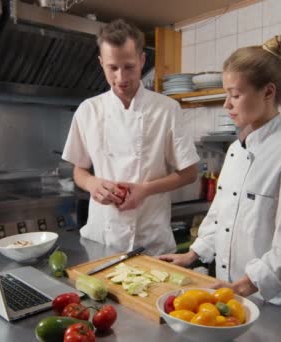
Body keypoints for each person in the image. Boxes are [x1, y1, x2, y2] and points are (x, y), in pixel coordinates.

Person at [159, 35, 281, 313]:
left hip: (272, 303)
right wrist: (192, 255)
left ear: (268, 92)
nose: (227, 104)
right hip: (228, 297)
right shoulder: (236, 150)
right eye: (227, 94)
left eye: (235, 95)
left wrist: (240, 288)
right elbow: (221, 215)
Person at [62, 19, 199, 256]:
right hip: (101, 239)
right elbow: (79, 171)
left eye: (129, 66)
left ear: (142, 60)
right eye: (112, 68)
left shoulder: (167, 109)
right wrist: (93, 183)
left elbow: (189, 173)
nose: (121, 77)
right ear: (101, 63)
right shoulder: (88, 110)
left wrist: (145, 189)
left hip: (150, 240)